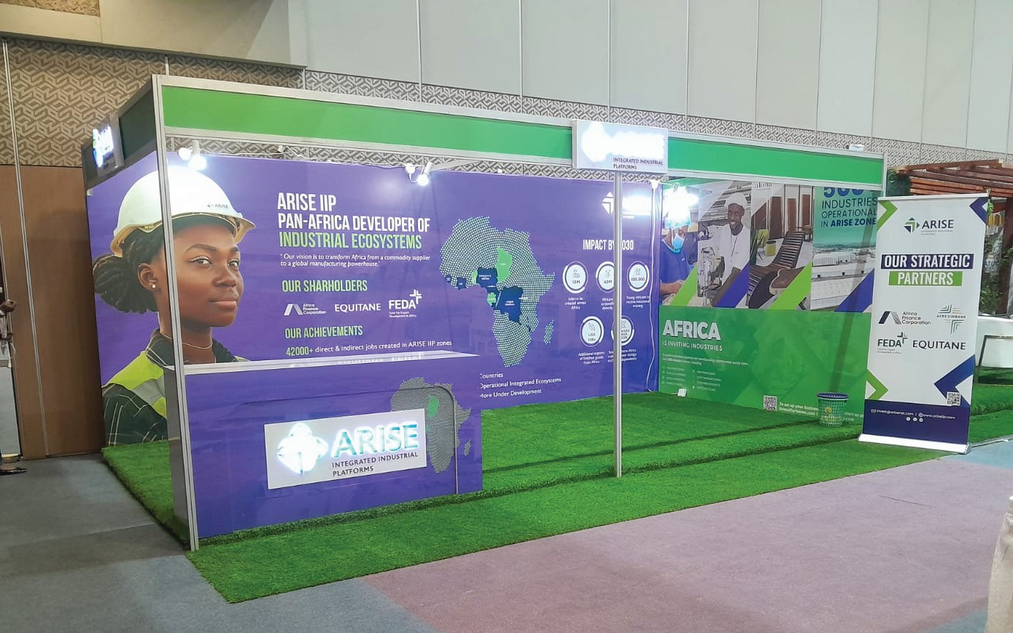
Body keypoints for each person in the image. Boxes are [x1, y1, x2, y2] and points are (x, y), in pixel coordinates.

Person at [92, 167, 254, 445]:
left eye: (233, 262)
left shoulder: (247, 374)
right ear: (149, 277)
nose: (229, 278)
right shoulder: (127, 399)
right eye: (202, 261)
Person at [711, 192, 750, 284]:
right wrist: (714, 274)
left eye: (736, 214)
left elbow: (735, 274)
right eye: (730, 213)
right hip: (725, 282)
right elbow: (723, 262)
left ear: (742, 213)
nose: (732, 218)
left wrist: (720, 294)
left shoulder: (747, 235)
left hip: (739, 285)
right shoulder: (725, 230)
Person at [659, 216, 697, 299]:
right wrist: (671, 287)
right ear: (671, 228)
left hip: (680, 301)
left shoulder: (681, 251)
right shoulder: (659, 250)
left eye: (684, 234)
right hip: (666, 303)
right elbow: (650, 286)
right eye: (680, 233)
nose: (682, 237)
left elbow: (688, 274)